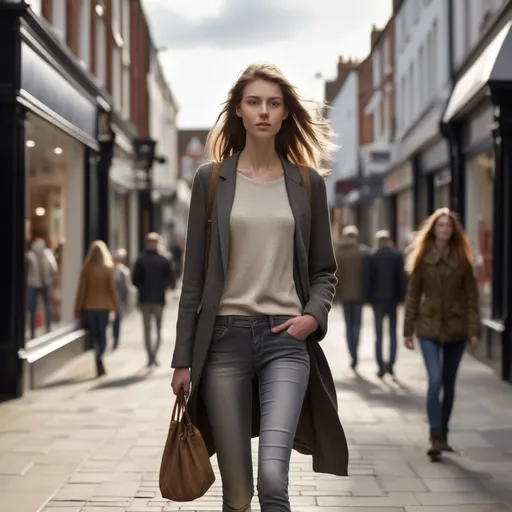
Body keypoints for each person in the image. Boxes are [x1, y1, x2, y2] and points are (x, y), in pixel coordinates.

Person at [170, 63, 348, 512]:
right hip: (223, 343)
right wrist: (182, 360)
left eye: (274, 103)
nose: (264, 111)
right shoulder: (210, 181)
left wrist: (313, 317)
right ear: (239, 111)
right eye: (254, 102)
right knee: (237, 493)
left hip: (285, 342)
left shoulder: (308, 183)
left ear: (286, 113)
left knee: (273, 478)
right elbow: (193, 280)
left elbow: (325, 269)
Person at [403, 208, 480, 462]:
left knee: (448, 384)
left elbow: (471, 297)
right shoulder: (423, 257)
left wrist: (473, 330)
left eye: (448, 226)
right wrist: (408, 330)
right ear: (434, 229)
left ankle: (444, 434)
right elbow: (413, 296)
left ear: (453, 231)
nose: (444, 230)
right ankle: (434, 436)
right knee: (434, 380)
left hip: (456, 328)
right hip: (428, 327)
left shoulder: (462, 259)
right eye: (440, 225)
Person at [75, 240, 119, 377]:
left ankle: (97, 356)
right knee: (102, 334)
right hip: (103, 307)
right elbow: (112, 289)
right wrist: (116, 306)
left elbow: (81, 290)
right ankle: (100, 356)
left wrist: (77, 308)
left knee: (94, 335)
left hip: (89, 307)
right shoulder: (107, 269)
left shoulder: (86, 268)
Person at [365, 230, 406, 378]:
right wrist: (402, 297)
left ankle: (380, 365)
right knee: (393, 333)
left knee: (379, 334)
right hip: (393, 299)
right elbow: (401, 278)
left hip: (377, 300)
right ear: (389, 241)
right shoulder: (396, 255)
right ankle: (392, 364)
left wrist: (368, 297)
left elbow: (368, 279)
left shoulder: (372, 256)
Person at [132, 233, 174, 367]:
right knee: (157, 329)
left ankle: (151, 356)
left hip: (145, 299)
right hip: (158, 299)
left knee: (148, 329)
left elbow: (135, 280)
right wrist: (163, 287)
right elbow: (171, 279)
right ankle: (153, 356)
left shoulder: (141, 259)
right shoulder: (164, 259)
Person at [334, 225, 368, 370]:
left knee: (348, 325)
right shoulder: (362, 252)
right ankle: (356, 351)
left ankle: (352, 353)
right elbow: (367, 276)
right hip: (359, 295)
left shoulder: (339, 253)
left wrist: (335, 295)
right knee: (357, 326)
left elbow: (336, 276)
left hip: (345, 296)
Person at [26, 236, 58, 338]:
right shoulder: (48, 253)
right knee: (47, 305)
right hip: (46, 283)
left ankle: (32, 331)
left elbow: (27, 271)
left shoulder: (30, 255)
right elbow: (54, 268)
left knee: (32, 308)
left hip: (33, 284)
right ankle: (48, 328)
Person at [112, 248, 131, 350]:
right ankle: (115, 338)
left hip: (118, 300)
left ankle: (115, 338)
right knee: (115, 321)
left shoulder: (122, 271)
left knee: (116, 321)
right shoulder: (114, 270)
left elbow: (126, 288)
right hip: (115, 300)